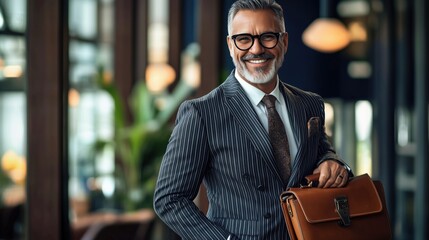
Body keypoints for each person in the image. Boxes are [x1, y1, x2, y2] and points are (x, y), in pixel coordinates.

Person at [153, 0, 353, 239]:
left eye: (268, 37)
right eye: (244, 39)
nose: (256, 49)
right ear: (230, 45)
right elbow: (169, 199)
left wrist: (334, 163)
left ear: (284, 42)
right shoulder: (202, 113)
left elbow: (323, 152)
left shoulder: (310, 104)